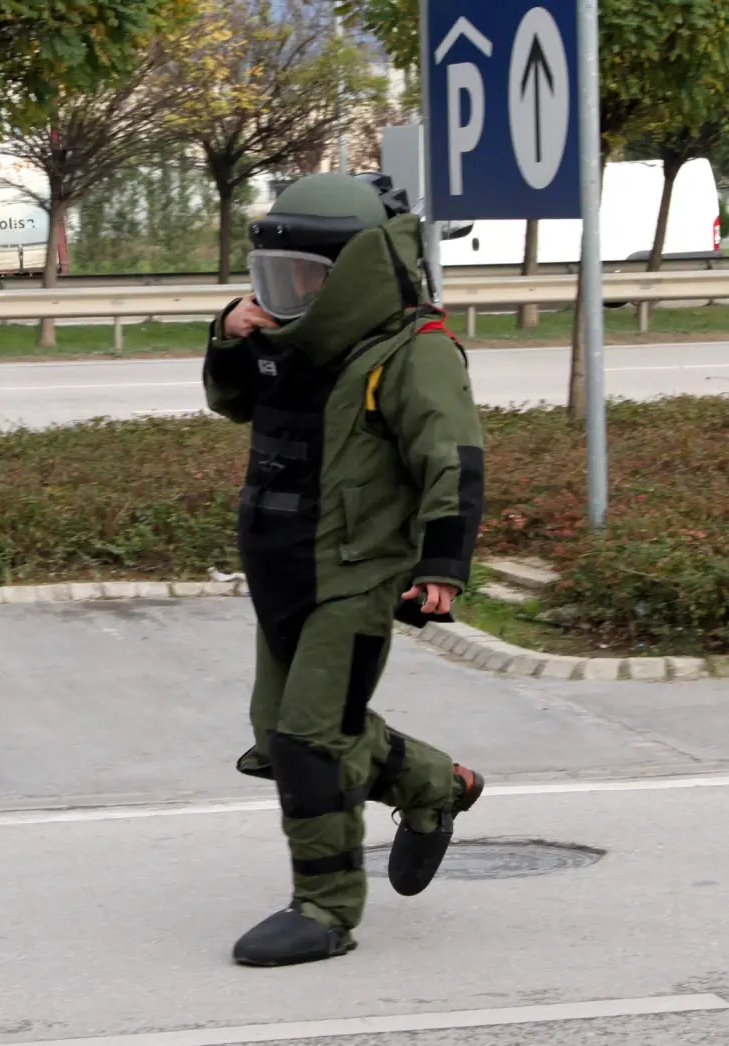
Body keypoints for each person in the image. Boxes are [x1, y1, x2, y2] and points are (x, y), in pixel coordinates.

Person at [203, 171, 487, 968]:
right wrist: (230, 333)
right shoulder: (288, 343)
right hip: (282, 569)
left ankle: (325, 910)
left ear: (357, 273)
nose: (288, 296)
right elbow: (232, 401)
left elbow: (452, 457)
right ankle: (434, 784)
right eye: (277, 278)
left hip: (355, 576)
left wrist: (442, 562)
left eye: (308, 280)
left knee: (309, 740)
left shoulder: (414, 352)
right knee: (279, 736)